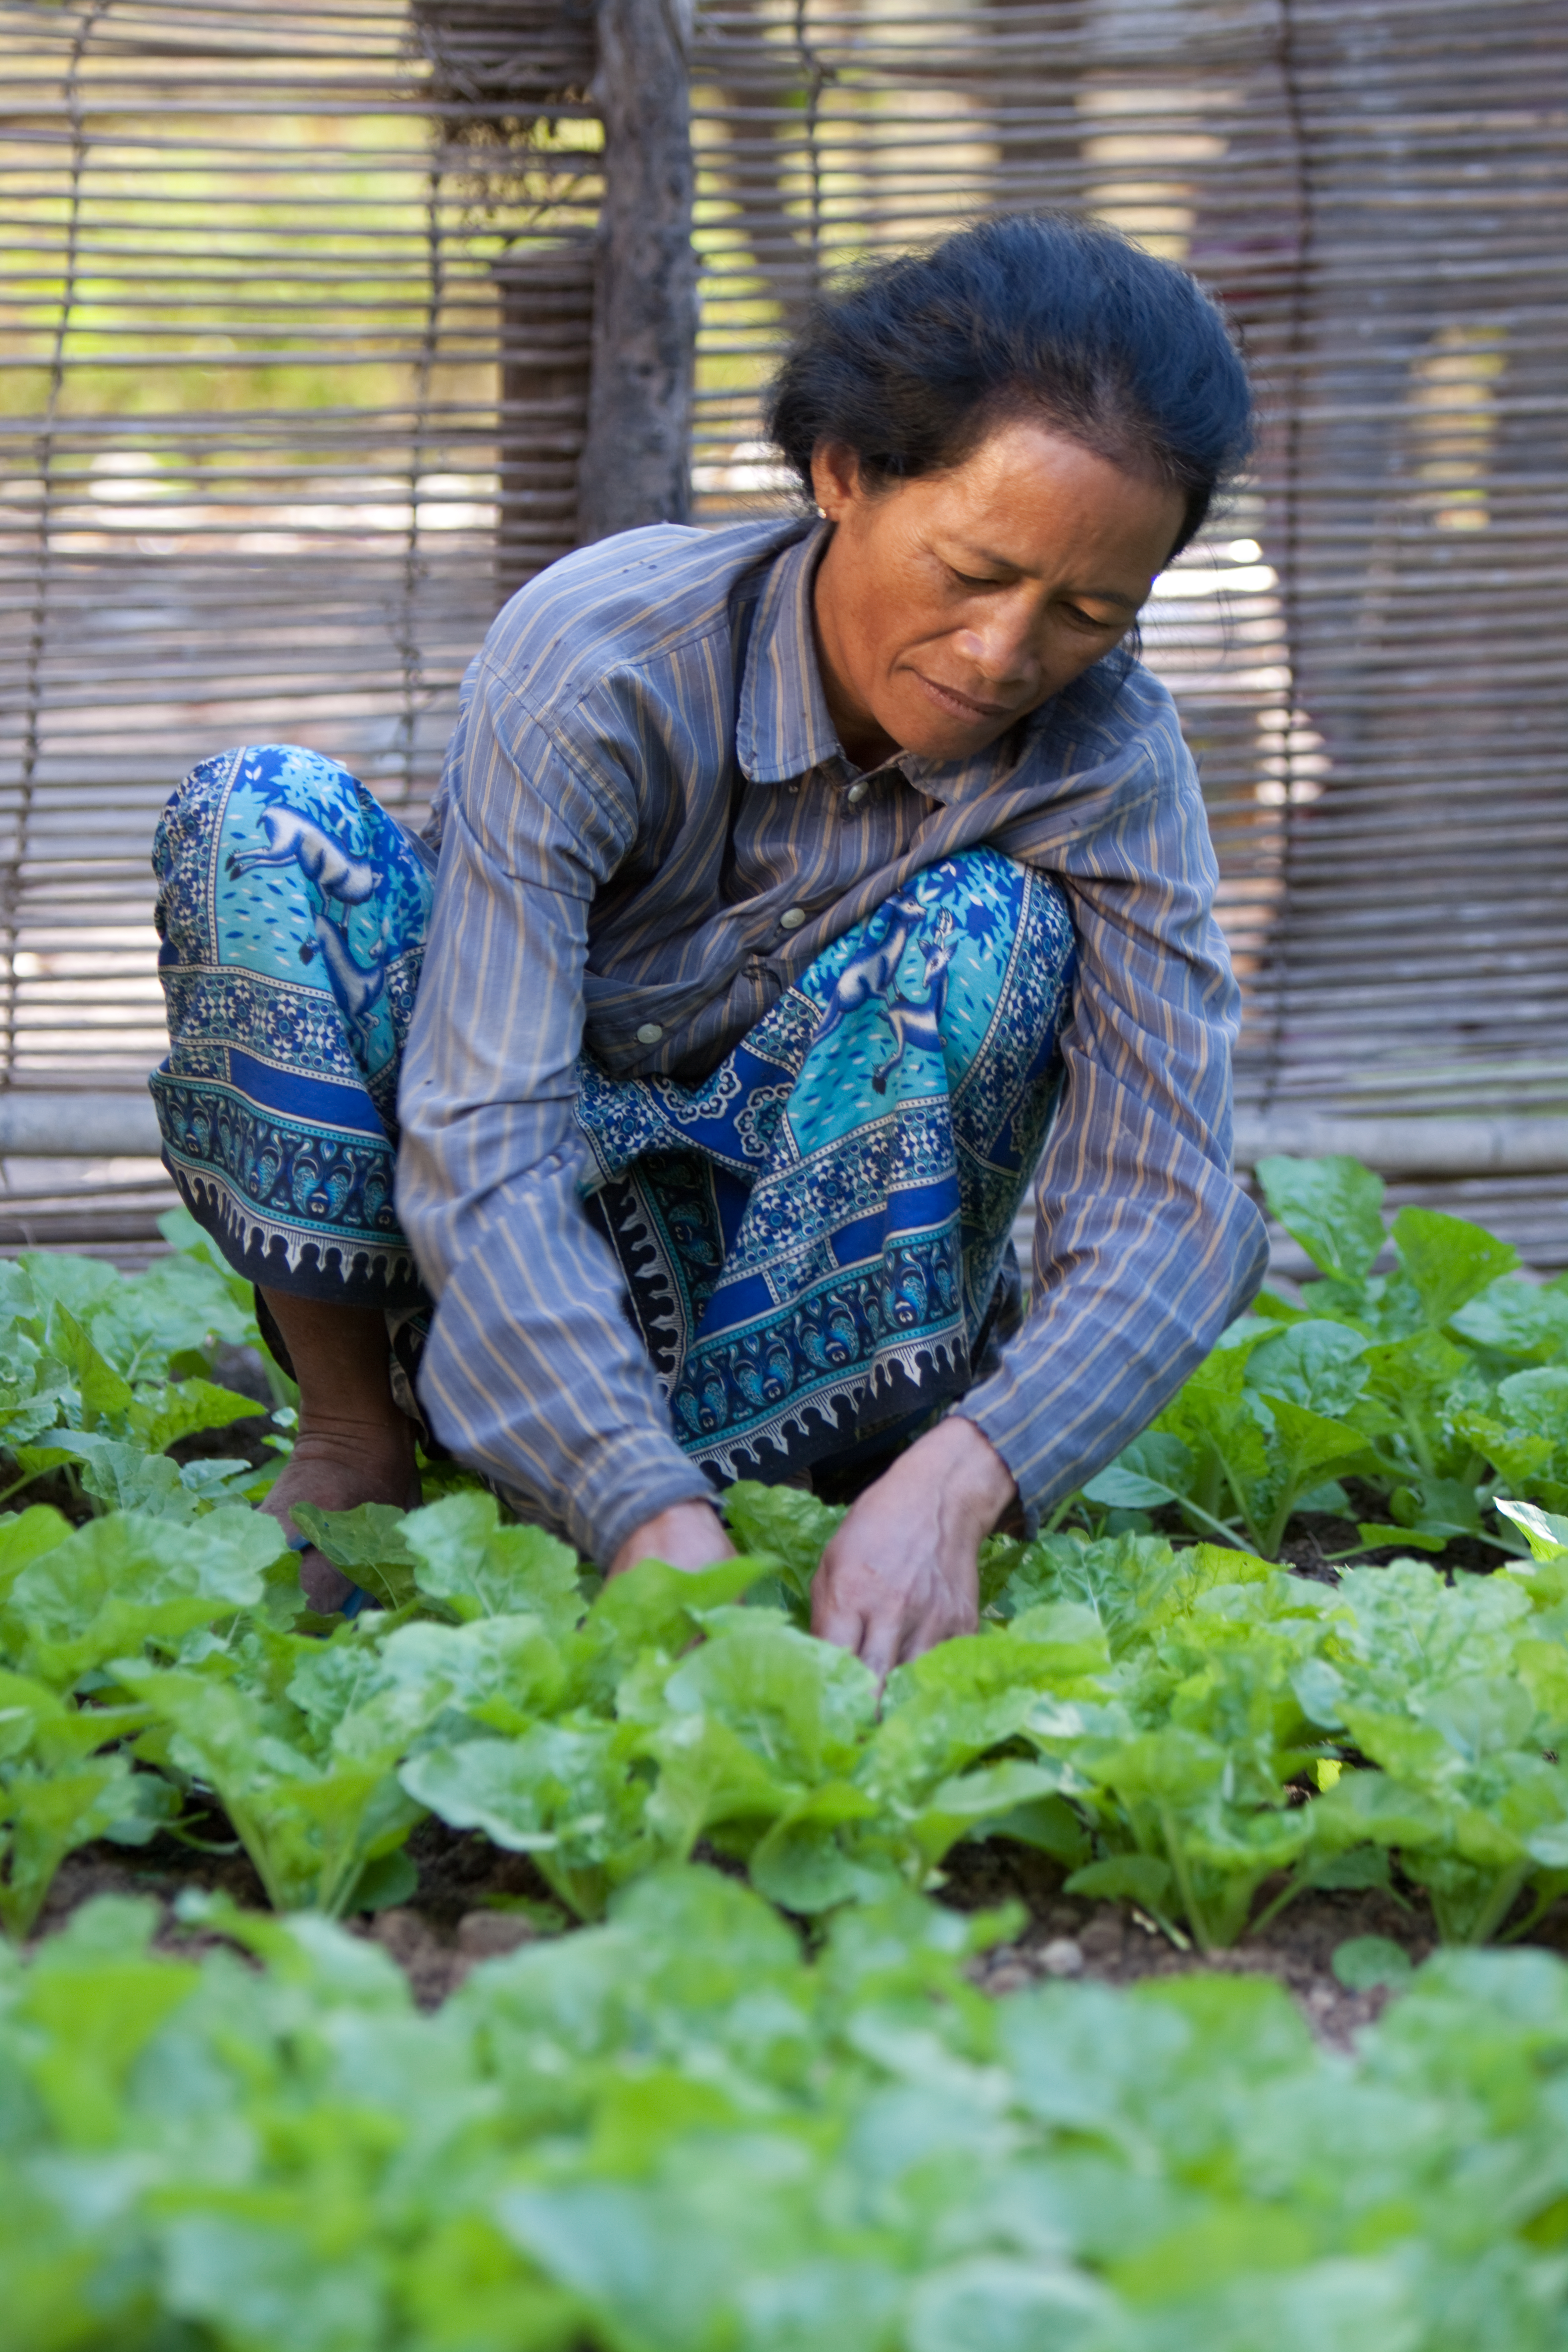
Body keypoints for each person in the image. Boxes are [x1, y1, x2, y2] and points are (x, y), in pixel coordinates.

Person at [149, 213, 1269, 1673]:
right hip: (490, 1246)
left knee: (990, 923)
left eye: (1089, 610)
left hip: (805, 1297)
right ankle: (360, 1439)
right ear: (844, 473)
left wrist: (965, 1478)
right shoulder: (606, 656)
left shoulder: (1110, 756)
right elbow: (485, 1125)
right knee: (259, 822)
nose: (1007, 654)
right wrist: (634, 1503)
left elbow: (1169, 1196)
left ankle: (829, 1503)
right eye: (972, 570)